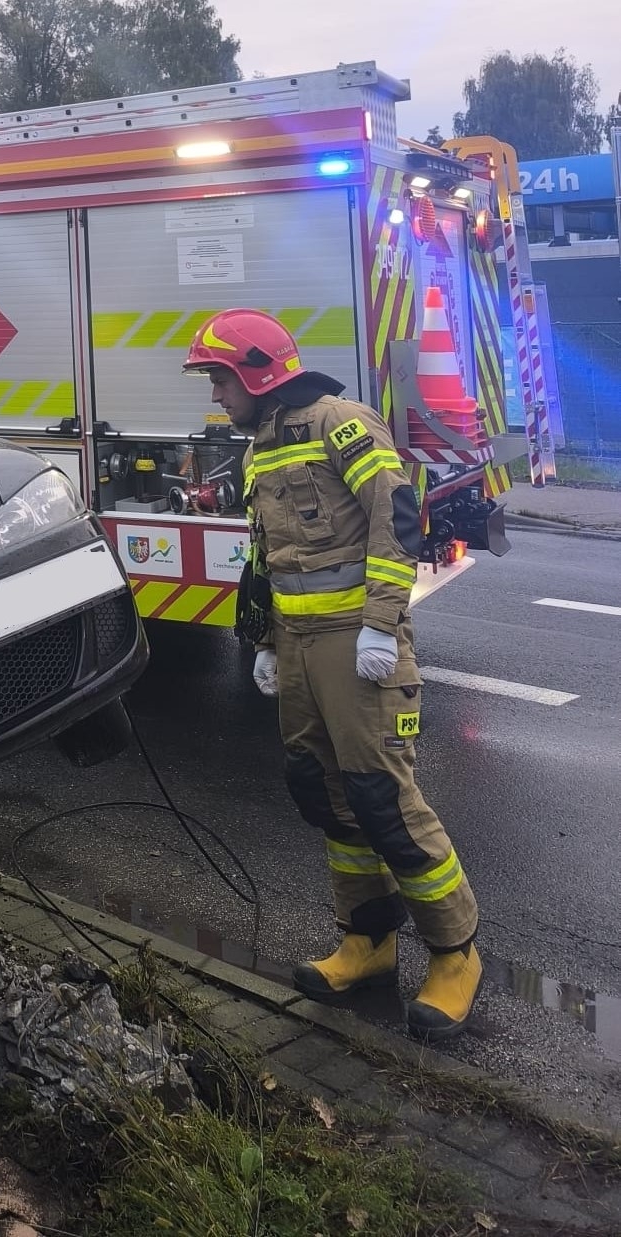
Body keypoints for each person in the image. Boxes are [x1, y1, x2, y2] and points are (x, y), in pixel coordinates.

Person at [182, 309, 482, 1042]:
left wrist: (382, 622)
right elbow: (265, 555)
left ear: (256, 372)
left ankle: (454, 952)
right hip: (300, 646)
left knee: (383, 796)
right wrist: (261, 639)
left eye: (220, 378)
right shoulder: (262, 448)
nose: (215, 394)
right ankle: (367, 941)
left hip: (358, 646)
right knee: (326, 793)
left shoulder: (339, 423)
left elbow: (394, 517)